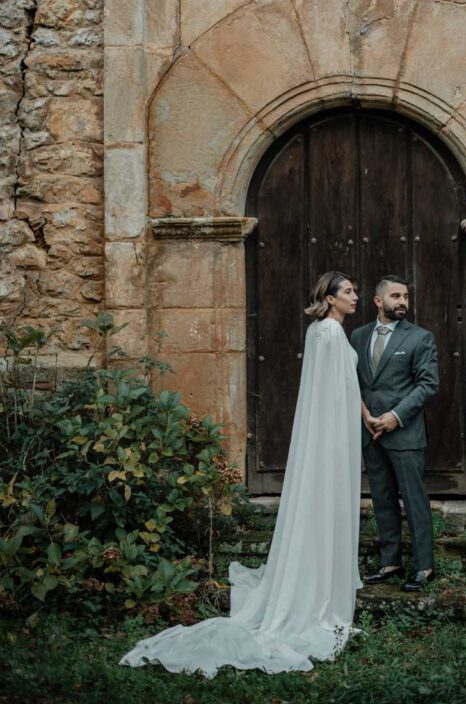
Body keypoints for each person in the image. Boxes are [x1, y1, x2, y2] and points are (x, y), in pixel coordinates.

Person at [120, 271, 366, 676]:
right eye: (348, 292)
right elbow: (334, 393)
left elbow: (342, 387)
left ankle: (313, 587)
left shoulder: (318, 331)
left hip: (333, 433)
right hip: (334, 437)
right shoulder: (330, 333)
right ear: (329, 297)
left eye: (355, 291)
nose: (355, 297)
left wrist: (364, 415)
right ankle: (317, 604)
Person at [351, 275, 439, 592]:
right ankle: (390, 562)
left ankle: (424, 567)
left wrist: (394, 417)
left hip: (404, 434)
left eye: (406, 296)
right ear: (378, 301)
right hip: (370, 433)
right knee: (382, 500)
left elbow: (428, 385)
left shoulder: (420, 338)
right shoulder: (358, 336)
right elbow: (356, 382)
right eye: (396, 296)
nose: (403, 302)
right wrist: (367, 418)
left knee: (414, 500)